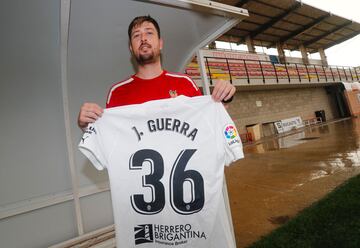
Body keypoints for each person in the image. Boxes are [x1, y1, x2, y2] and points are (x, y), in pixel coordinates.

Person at [78, 15, 236, 130]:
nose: (143, 38)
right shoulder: (117, 92)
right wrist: (86, 125)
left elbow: (208, 125)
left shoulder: (184, 83)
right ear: (131, 48)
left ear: (160, 44)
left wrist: (224, 99)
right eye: (136, 35)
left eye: (149, 33)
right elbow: (109, 139)